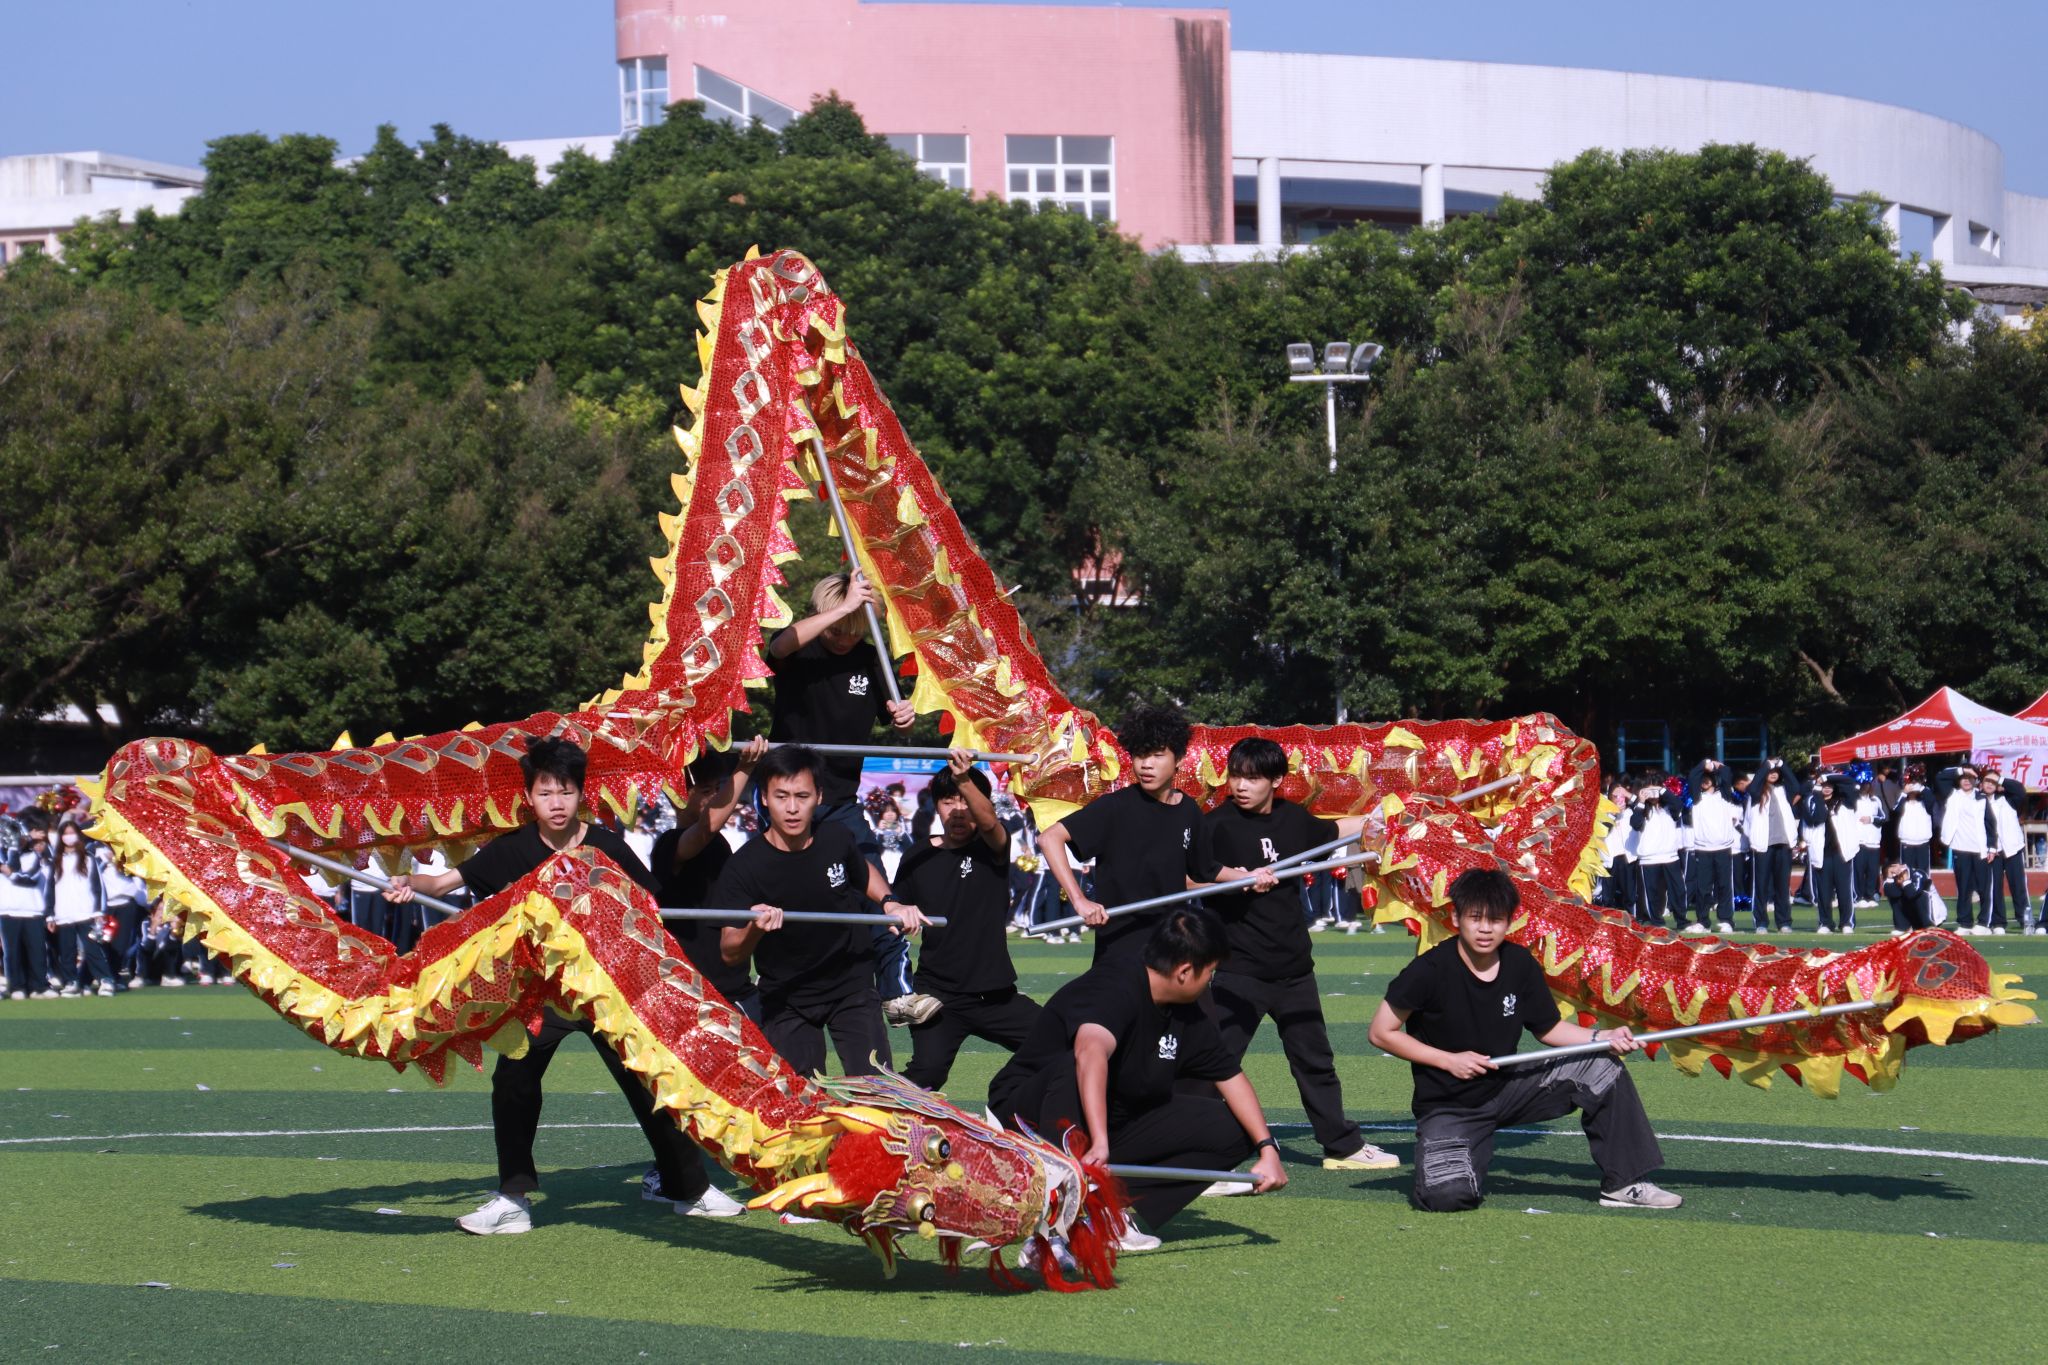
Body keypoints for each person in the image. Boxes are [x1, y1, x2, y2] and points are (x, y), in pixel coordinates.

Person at [384, 736, 742, 1234]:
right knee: (513, 1082)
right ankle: (512, 1199)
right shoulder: (512, 848)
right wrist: (408, 884)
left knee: (648, 1082)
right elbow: (442, 884)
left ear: (581, 795)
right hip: (540, 996)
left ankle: (690, 1190)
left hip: (606, 994)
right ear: (530, 797)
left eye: (566, 792)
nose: (557, 803)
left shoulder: (607, 847)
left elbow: (649, 910)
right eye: (546, 792)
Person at [1367, 867, 1678, 1213]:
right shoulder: (1429, 970)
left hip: (1508, 1088)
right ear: (1456, 917)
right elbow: (1380, 1032)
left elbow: (1548, 1029)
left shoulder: (1519, 963)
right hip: (1450, 1107)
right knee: (1447, 1197)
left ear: (1509, 922)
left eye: (1496, 920)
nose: (1485, 929)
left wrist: (1601, 1037)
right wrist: (1449, 1060)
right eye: (1475, 918)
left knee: (1600, 1065)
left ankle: (1623, 1183)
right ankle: (1465, 1153)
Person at [987, 907, 1289, 1251]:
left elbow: (1230, 1076)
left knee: (1237, 1129)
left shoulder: (1185, 1010)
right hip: (1024, 1117)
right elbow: (1090, 1053)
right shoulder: (1116, 984)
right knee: (1076, 1064)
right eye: (1210, 972)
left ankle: (1108, 1210)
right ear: (1185, 971)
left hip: (1110, 1118)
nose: (1210, 981)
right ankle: (1060, 1207)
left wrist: (1267, 1148)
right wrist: (1100, 1141)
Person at [1200, 736, 1398, 1171]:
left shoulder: (1293, 819)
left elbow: (1336, 830)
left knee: (1315, 1061)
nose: (1241, 786)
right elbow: (1186, 879)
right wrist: (1235, 878)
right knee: (1215, 1064)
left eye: (1252, 778)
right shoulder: (1216, 825)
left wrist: (1389, 818)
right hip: (1239, 968)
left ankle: (1341, 1147)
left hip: (1294, 968)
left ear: (1276, 781)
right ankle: (1196, 1153)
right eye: (1235, 777)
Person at [764, 571, 931, 1026]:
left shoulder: (871, 659)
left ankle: (897, 992)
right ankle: (779, 989)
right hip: (789, 794)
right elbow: (778, 646)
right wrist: (842, 608)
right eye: (838, 628)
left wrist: (903, 718)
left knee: (875, 883)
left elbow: (898, 720)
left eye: (854, 630)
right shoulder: (802, 649)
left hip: (841, 797)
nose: (843, 638)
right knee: (790, 888)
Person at [716, 744, 929, 1081]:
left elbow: (862, 872)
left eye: (802, 796)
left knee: (878, 1091)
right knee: (800, 1101)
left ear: (818, 796)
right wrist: (755, 927)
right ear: (765, 798)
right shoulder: (743, 866)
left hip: (851, 983)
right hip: (786, 995)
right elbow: (730, 952)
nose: (792, 808)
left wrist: (890, 902)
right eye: (782, 796)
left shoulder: (836, 837)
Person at [895, 753, 1043, 1091]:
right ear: (936, 806)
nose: (958, 810)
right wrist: (896, 910)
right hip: (938, 996)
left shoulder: (993, 847)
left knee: (1058, 1044)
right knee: (927, 1074)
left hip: (996, 996)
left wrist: (963, 778)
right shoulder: (918, 855)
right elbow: (893, 910)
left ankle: (1008, 1099)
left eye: (966, 800)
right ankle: (871, 1114)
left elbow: (989, 824)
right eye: (949, 801)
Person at [1039, 703, 1217, 963]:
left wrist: (1246, 878)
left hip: (1172, 945)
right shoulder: (1114, 806)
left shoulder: (1189, 809)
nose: (1146, 765)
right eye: (1140, 755)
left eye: (1157, 755)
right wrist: (1079, 900)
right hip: (1121, 946)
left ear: (1179, 759)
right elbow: (1049, 838)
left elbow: (1199, 875)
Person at [651, 736, 769, 1020]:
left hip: (733, 986)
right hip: (694, 991)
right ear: (677, 795)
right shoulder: (669, 844)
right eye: (706, 791)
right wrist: (744, 768)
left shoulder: (719, 843)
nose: (716, 797)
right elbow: (706, 829)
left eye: (718, 788)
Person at [45, 819, 114, 995]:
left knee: (92, 949)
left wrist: (99, 911)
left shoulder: (88, 858)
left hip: (86, 912)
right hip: (63, 913)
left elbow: (98, 886)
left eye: (72, 833)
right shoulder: (55, 861)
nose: (69, 837)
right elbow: (50, 889)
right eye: (65, 834)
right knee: (67, 951)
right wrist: (50, 915)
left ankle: (105, 980)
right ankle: (71, 982)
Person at [1744, 759, 1806, 932]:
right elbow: (1753, 786)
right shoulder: (1756, 792)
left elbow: (1796, 786)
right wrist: (1766, 766)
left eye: (1775, 771)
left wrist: (1782, 764)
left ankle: (1784, 922)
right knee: (1761, 885)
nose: (1773, 774)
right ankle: (1761, 922)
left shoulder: (1783, 790)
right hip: (1763, 845)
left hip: (1783, 844)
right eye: (1769, 771)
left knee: (1782, 886)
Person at [1683, 760, 1741, 933]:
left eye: (1708, 778)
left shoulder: (1725, 795)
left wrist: (1716, 766)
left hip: (1723, 847)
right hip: (1703, 848)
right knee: (1703, 887)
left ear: (1715, 780)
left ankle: (1726, 920)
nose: (1704, 781)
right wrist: (1704, 764)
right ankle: (1703, 921)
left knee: (1724, 885)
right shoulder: (1696, 797)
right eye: (1703, 778)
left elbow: (1728, 772)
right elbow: (1692, 776)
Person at [1935, 766, 1994, 934]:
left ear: (1976, 780)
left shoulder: (1981, 798)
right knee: (1964, 887)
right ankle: (1965, 922)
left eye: (1970, 778)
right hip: (1960, 848)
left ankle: (1984, 923)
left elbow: (1990, 824)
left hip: (1980, 848)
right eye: (1964, 777)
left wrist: (1992, 847)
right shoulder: (1952, 795)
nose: (1967, 781)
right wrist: (1961, 770)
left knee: (1983, 887)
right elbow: (1940, 777)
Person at [2, 823, 56, 1000]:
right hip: (8, 911)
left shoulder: (34, 856)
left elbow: (29, 878)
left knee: (37, 951)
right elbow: (10, 864)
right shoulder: (3, 854)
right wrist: (13, 849)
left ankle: (39, 986)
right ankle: (17, 986)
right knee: (12, 952)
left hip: (33, 910)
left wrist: (9, 872)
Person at [1630, 777, 1683, 928]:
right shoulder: (1641, 809)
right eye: (1649, 790)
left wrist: (1662, 791)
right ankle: (1657, 922)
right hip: (1649, 858)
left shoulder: (1669, 807)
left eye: (1655, 790)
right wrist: (1641, 801)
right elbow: (1635, 823)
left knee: (1678, 890)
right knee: (1652, 893)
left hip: (1670, 856)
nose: (1653, 794)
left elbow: (1678, 804)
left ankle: (1682, 920)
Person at [1987, 773, 2031, 935]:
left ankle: (2025, 919)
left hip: (2013, 848)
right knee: (1995, 888)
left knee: (2019, 886)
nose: (1989, 784)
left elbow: (2020, 790)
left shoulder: (2009, 799)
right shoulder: (1978, 801)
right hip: (1993, 851)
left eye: (1993, 781)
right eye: (1986, 781)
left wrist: (2000, 780)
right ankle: (1998, 922)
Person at [1596, 783, 1637, 913]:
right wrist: (1613, 813)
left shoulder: (1630, 812)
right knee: (1608, 896)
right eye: (1616, 796)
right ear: (1609, 797)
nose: (1619, 799)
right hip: (1610, 859)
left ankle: (1631, 919)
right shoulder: (1602, 812)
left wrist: (1628, 795)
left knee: (1629, 894)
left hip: (1627, 857)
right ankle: (1607, 920)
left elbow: (1641, 804)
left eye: (1622, 795)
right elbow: (1602, 831)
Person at [1892, 765, 1937, 877]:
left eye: (1915, 781)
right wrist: (1904, 793)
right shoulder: (1903, 799)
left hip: (1923, 842)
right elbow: (1896, 811)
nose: (1913, 785)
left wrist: (1920, 787)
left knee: (1923, 873)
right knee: (1906, 872)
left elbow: (1931, 802)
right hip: (1907, 842)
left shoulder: (1925, 797)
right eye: (1911, 782)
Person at [1853, 781, 1886, 911]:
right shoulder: (1854, 800)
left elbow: (1883, 817)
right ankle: (1859, 896)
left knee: (1873, 871)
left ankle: (1870, 895)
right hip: (1859, 841)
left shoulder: (1875, 800)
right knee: (1859, 870)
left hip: (1874, 842)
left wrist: (1871, 819)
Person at [1883, 861, 1934, 934]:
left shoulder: (1918, 874)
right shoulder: (1893, 877)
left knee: (1920, 895)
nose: (1895, 870)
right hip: (1916, 916)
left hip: (1932, 912)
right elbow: (1893, 894)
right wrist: (1889, 875)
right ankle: (1903, 927)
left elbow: (1912, 894)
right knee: (1895, 896)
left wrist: (1905, 879)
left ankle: (1928, 925)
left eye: (1895, 866)